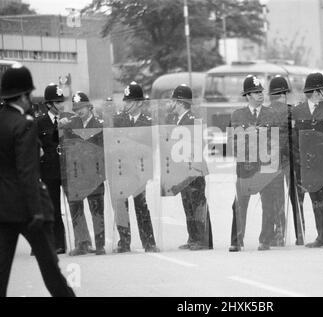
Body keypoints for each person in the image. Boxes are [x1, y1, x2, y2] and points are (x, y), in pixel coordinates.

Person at [0, 64, 75, 297]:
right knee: (52, 272)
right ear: (23, 96)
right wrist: (38, 211)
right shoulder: (25, 124)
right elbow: (27, 171)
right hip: (28, 210)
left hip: (2, 208)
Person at [229, 75, 282, 252]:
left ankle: (265, 239)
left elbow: (277, 141)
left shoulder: (272, 114)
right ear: (248, 95)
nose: (261, 95)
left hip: (267, 167)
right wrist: (257, 134)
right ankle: (237, 240)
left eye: (261, 92)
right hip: (246, 168)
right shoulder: (237, 115)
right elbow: (234, 142)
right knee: (239, 204)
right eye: (256, 92)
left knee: (269, 204)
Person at [292, 73, 323, 249]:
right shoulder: (298, 111)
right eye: (321, 90)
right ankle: (321, 236)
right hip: (307, 166)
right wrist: (299, 163)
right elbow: (294, 140)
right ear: (316, 91)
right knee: (315, 202)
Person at [113, 82, 159, 253]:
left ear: (139, 102)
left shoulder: (147, 122)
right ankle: (124, 242)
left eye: (129, 101)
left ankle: (149, 242)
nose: (126, 104)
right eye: (125, 101)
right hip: (122, 170)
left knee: (141, 205)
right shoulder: (118, 120)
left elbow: (151, 147)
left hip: (139, 170)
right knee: (121, 205)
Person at [167, 84, 213, 251]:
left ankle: (203, 239)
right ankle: (193, 237)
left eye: (173, 100)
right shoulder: (175, 120)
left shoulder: (193, 120)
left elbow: (198, 145)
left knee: (198, 204)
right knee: (187, 204)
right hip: (182, 171)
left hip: (194, 170)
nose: (170, 103)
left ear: (180, 102)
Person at [63, 92, 106, 256]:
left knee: (97, 209)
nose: (78, 110)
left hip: (95, 174)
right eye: (76, 108)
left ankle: (100, 244)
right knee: (76, 208)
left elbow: (104, 150)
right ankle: (82, 243)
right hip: (77, 174)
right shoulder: (70, 125)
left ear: (89, 106)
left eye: (81, 107)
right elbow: (67, 149)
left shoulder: (100, 124)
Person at [268, 75, 305, 246]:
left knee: (285, 198)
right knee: (291, 199)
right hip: (287, 160)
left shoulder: (268, 113)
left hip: (281, 161)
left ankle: (285, 233)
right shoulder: (291, 112)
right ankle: (296, 233)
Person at [36, 83, 73, 254]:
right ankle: (59, 243)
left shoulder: (70, 119)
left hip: (67, 170)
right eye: (57, 102)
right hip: (49, 172)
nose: (61, 105)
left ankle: (82, 241)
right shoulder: (39, 123)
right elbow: (37, 148)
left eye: (62, 101)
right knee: (54, 209)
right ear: (49, 104)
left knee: (74, 206)